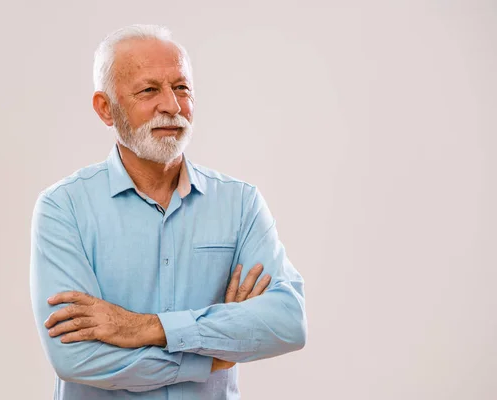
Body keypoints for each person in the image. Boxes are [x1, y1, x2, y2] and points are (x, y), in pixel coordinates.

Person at [30, 24, 307, 400]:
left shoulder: (240, 203)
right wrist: (210, 356)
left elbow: (287, 323)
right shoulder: (64, 208)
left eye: (182, 88)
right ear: (105, 108)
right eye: (149, 90)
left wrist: (146, 328)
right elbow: (76, 357)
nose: (172, 106)